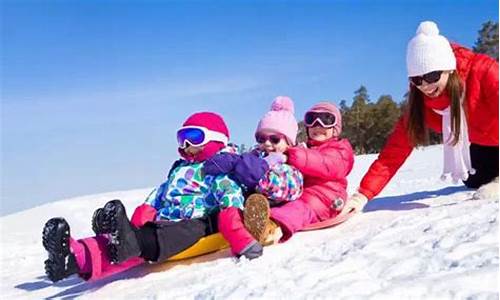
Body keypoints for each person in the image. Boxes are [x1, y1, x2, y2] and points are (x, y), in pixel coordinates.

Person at [42, 112, 245, 282]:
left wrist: (242, 240)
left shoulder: (220, 168)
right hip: (163, 222)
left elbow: (231, 199)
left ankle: (129, 240)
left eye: (193, 136)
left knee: (149, 240)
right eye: (181, 138)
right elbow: (158, 196)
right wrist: (139, 221)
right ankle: (72, 257)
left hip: (197, 224)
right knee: (127, 244)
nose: (186, 143)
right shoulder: (181, 169)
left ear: (217, 139)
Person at [340, 21, 499, 217]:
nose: (425, 86)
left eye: (432, 76)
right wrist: (361, 196)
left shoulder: (486, 73)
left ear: (448, 68)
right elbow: (392, 155)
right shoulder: (420, 104)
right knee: (474, 179)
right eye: (417, 79)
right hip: (482, 146)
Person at [209, 101, 354, 258]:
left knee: (299, 209)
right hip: (299, 193)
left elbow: (327, 163)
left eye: (326, 120)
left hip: (325, 198)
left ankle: (270, 227)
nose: (317, 124)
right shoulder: (301, 149)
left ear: (336, 128)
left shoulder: (340, 149)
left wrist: (290, 155)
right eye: (311, 119)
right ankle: (245, 219)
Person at [204, 96, 304, 257]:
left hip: (272, 206)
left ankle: (262, 228)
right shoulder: (254, 157)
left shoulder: (289, 165)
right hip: (245, 204)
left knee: (270, 210)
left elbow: (292, 188)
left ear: (289, 142)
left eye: (275, 139)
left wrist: (260, 178)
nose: (267, 144)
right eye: (261, 139)